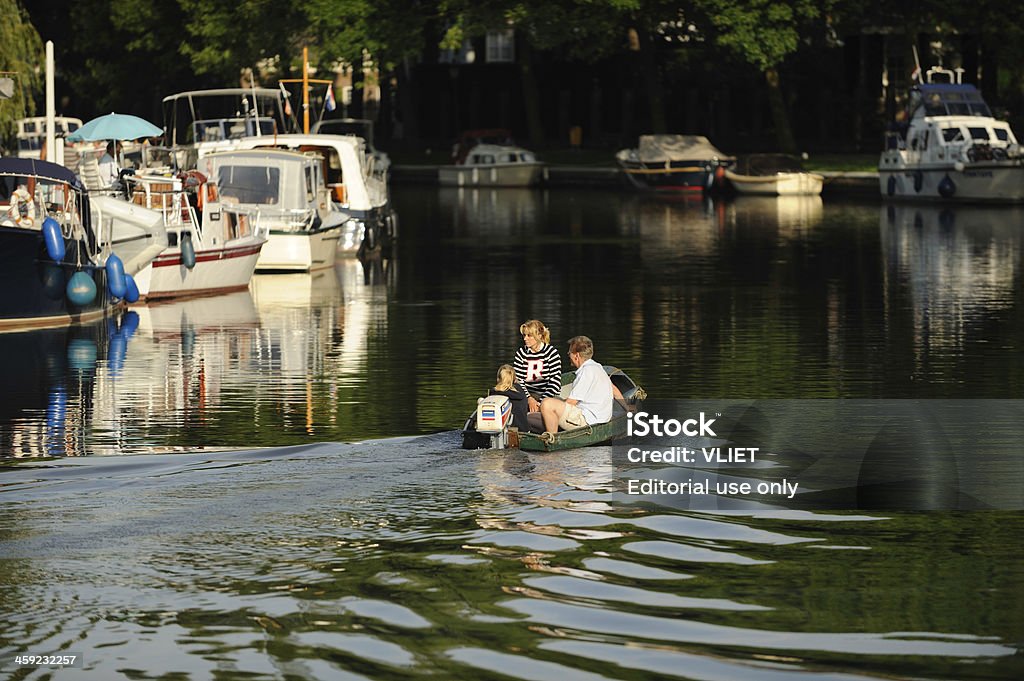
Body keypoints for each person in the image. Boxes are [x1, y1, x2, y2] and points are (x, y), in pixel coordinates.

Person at [540, 336, 614, 434]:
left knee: (547, 403)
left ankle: (552, 439)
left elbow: (571, 402)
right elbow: (614, 389)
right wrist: (627, 408)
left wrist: (540, 407)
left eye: (569, 353)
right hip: (602, 417)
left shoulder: (585, 372)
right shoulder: (597, 367)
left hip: (588, 420)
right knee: (556, 399)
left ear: (576, 356)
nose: (569, 356)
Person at [513, 319, 562, 415]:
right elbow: (519, 380)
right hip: (528, 395)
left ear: (539, 336)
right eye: (524, 335)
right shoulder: (521, 353)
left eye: (529, 335)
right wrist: (529, 398)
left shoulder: (551, 353)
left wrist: (540, 403)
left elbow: (554, 383)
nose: (525, 339)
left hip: (548, 396)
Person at [488, 364, 530, 432]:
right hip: (523, 429)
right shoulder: (520, 391)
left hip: (505, 429)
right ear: (514, 378)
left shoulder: (495, 393)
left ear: (498, 379)